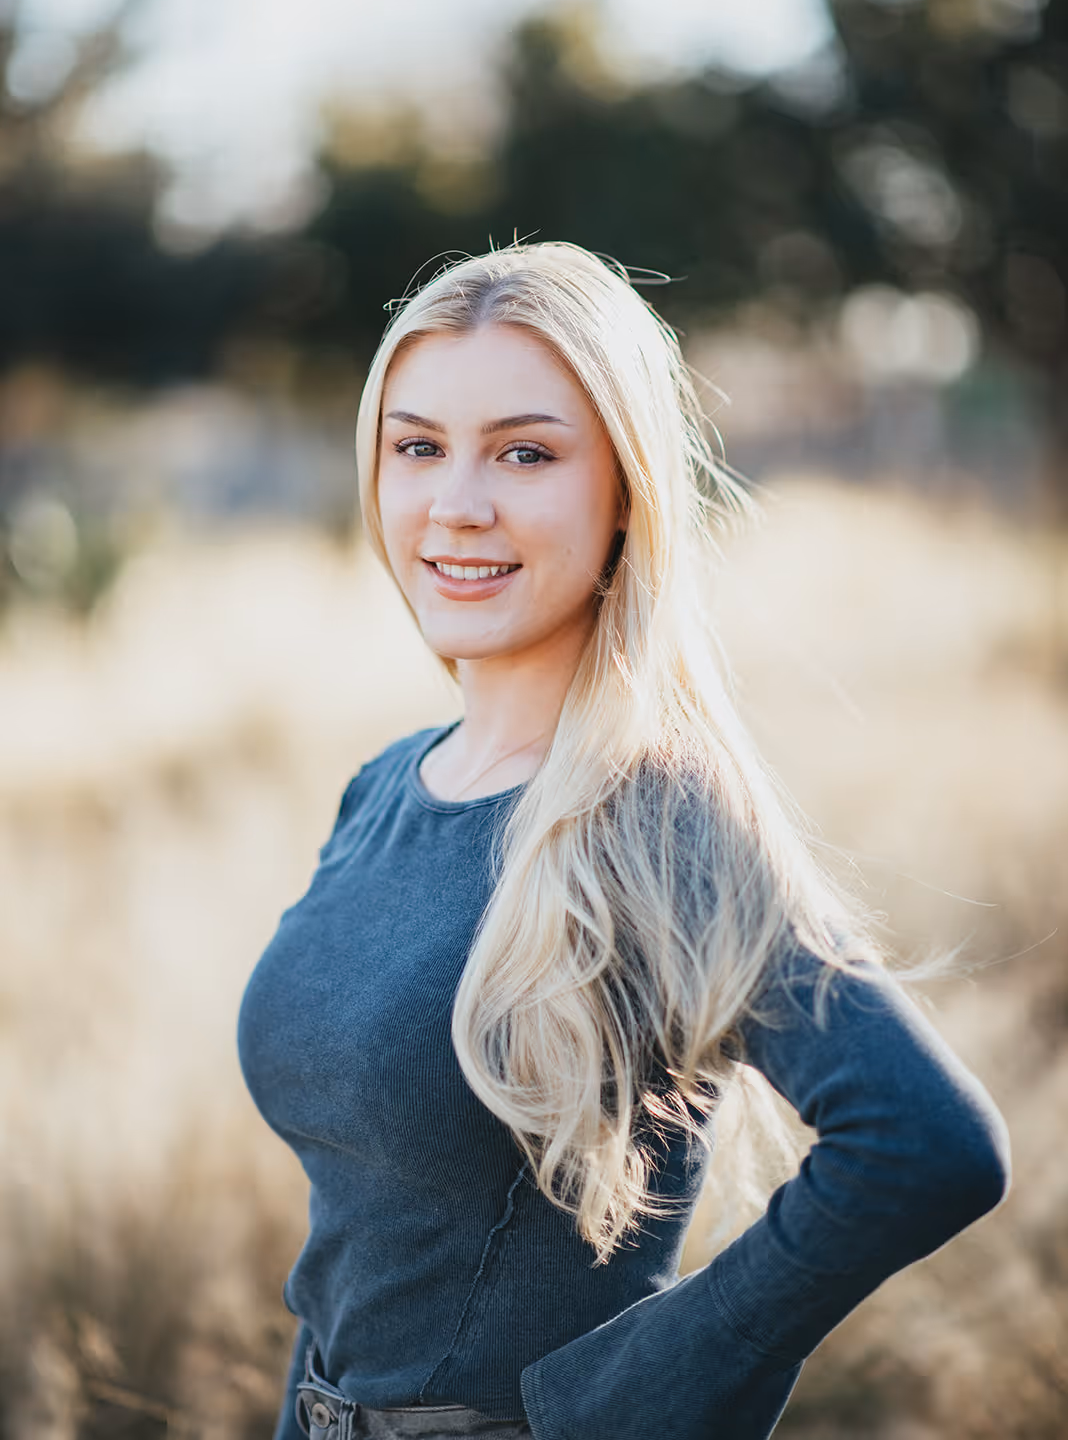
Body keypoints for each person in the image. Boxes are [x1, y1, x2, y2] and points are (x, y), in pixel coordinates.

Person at [237, 241, 1010, 1440]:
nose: (456, 502)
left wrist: (625, 1398)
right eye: (418, 445)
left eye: (527, 452)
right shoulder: (385, 787)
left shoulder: (659, 820)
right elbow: (358, 1222)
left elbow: (928, 1145)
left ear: (625, 495)